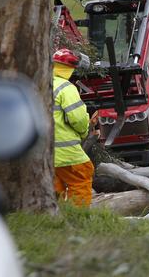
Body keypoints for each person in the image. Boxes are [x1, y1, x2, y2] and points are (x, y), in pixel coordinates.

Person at [52, 48, 94, 207]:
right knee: (82, 177)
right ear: (71, 69)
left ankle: (55, 221)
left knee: (55, 189)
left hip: (44, 153)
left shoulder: (40, 82)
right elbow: (78, 119)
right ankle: (78, 219)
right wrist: (85, 131)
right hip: (66, 152)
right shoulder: (66, 88)